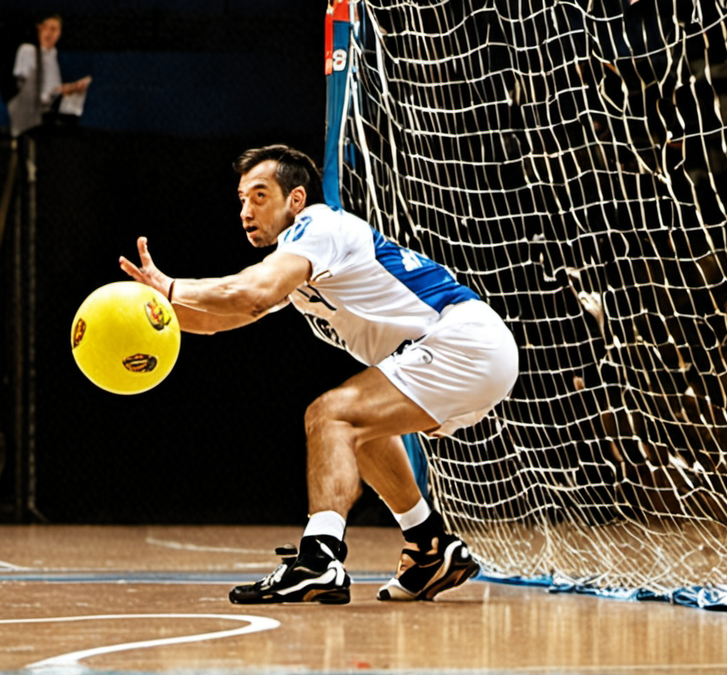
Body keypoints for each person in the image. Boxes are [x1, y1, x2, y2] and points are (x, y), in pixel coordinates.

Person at [119, 145, 519, 604]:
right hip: (469, 352)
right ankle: (431, 548)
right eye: (241, 199)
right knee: (361, 436)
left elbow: (253, 292)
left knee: (328, 416)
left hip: (463, 340)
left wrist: (170, 286)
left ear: (296, 199)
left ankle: (319, 560)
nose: (247, 210)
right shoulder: (301, 264)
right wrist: (149, 318)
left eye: (260, 195)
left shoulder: (318, 226)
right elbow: (217, 319)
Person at [7, 13, 91, 137]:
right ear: (39, 29)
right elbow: (22, 87)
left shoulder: (53, 55)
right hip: (31, 112)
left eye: (54, 29)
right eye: (45, 28)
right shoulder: (28, 50)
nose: (49, 33)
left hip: (51, 109)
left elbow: (53, 91)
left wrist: (69, 89)